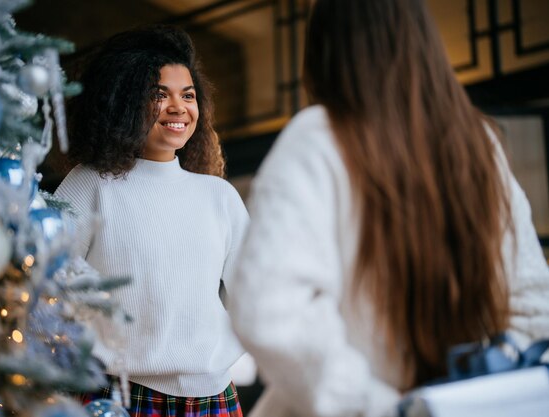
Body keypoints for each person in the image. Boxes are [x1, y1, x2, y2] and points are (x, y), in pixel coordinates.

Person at [228, 0, 549, 416]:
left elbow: (266, 309)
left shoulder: (318, 139)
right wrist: (473, 395)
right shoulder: (480, 146)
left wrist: (380, 407)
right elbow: (534, 306)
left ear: (325, 52)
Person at [54, 25, 249, 417]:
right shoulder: (90, 184)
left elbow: (258, 288)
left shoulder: (219, 195)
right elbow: (46, 278)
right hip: (119, 396)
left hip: (214, 395)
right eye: (159, 95)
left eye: (188, 95)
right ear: (122, 101)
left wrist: (225, 346)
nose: (179, 107)